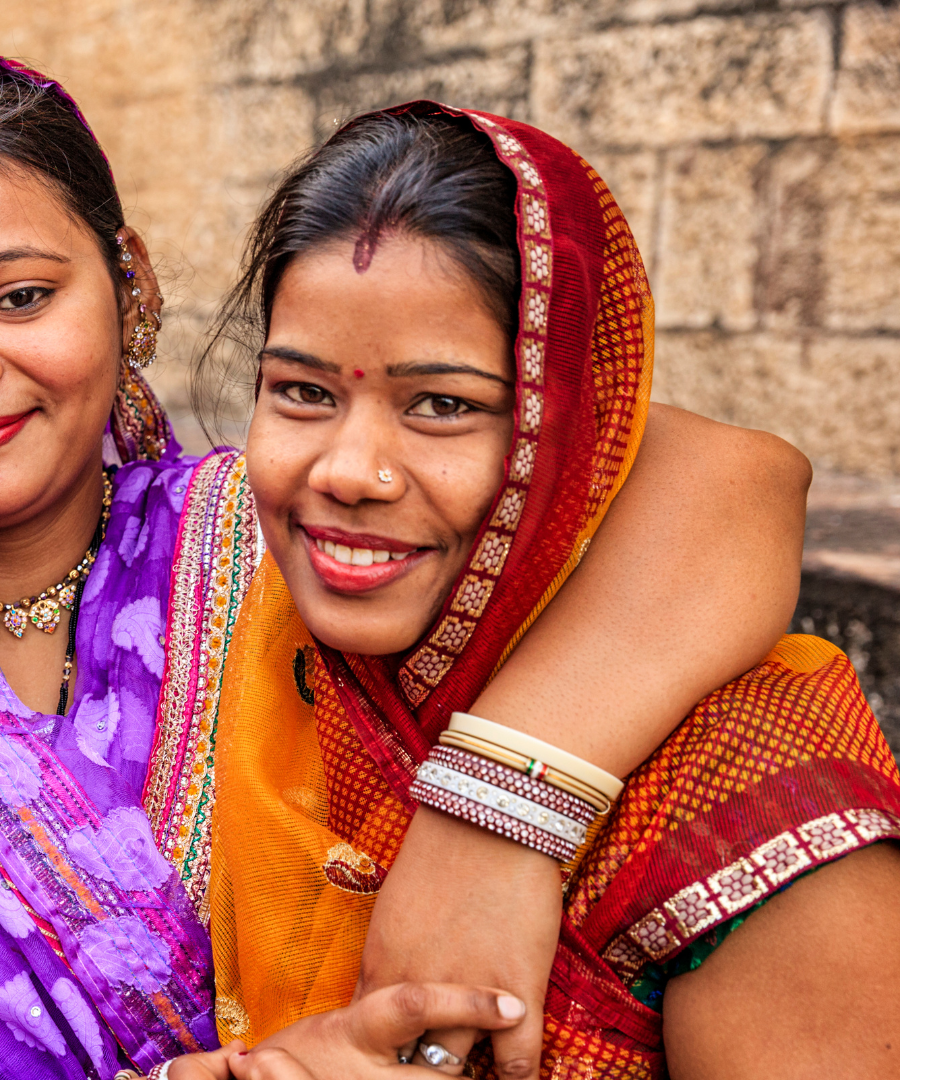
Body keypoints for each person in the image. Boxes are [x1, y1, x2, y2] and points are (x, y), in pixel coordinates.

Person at [0, 58, 813, 1077]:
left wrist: (494, 822)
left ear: (130, 285)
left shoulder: (285, 536)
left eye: (20, 297)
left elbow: (730, 484)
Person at [184, 103, 899, 1078]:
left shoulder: (749, 791)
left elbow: (749, 472)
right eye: (303, 392)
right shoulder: (261, 635)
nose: (349, 469)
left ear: (569, 437)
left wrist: (498, 808)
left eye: (442, 405)